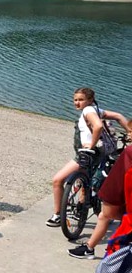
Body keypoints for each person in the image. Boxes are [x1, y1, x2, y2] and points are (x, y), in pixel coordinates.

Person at [46, 87, 128, 230]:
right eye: (75, 100)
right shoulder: (96, 109)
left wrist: (91, 145)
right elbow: (118, 116)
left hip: (88, 154)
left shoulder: (88, 111)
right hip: (98, 154)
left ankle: (58, 215)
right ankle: (84, 205)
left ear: (90, 100)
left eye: (81, 100)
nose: (77, 103)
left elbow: (98, 127)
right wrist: (130, 131)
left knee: (58, 180)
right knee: (86, 182)